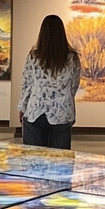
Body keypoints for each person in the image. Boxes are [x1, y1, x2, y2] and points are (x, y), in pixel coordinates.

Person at [17, 14, 82, 150]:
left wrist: (23, 107)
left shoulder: (34, 56)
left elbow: (27, 84)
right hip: (62, 113)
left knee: (33, 161)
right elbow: (73, 86)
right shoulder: (72, 58)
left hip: (35, 111)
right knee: (60, 162)